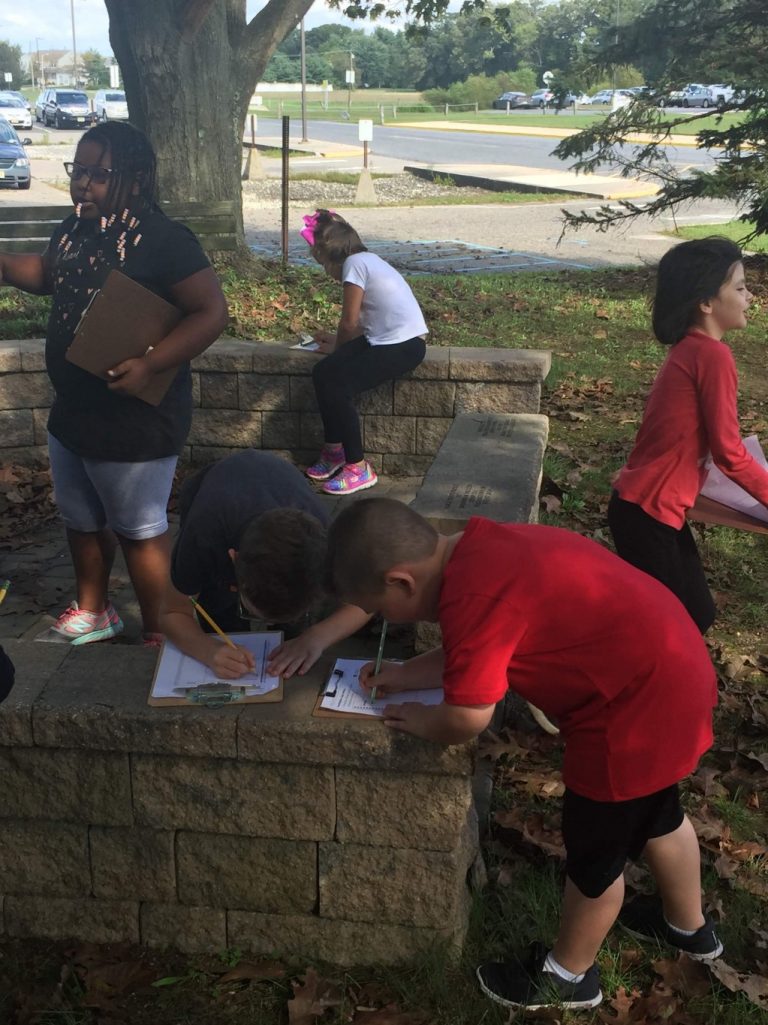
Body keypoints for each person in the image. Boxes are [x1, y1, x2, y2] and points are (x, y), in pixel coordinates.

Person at [326, 498, 722, 1012]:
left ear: (401, 582)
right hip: (674, 671)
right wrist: (403, 676)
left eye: (380, 610)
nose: (384, 620)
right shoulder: (479, 550)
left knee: (595, 856)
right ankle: (689, 930)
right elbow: (477, 649)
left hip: (628, 719)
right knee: (659, 815)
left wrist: (417, 718)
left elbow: (468, 718)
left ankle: (568, 977)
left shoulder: (470, 597)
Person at [0, 121, 228, 646]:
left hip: (135, 416)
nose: (84, 185)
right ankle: (95, 609)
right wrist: (8, 267)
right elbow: (50, 273)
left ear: (139, 179)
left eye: (99, 175)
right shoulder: (78, 227)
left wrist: (152, 362)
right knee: (79, 516)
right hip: (75, 408)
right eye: (78, 171)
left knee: (139, 529)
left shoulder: (165, 240)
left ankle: (161, 626)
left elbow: (210, 311)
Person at [608, 237, 768, 633]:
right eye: (740, 287)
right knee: (676, 624)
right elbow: (730, 453)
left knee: (691, 617)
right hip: (647, 513)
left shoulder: (692, 349)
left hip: (649, 509)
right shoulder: (711, 356)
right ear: (706, 302)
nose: (750, 296)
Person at [159, 450, 370, 680]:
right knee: (220, 615)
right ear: (233, 559)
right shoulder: (204, 536)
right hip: (214, 491)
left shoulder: (327, 544)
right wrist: (209, 650)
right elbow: (172, 612)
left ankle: (291, 630)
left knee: (293, 641)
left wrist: (315, 638)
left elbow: (368, 602)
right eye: (254, 612)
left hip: (278, 483)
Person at [300, 208, 428, 495]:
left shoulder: (354, 265)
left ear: (329, 256)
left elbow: (349, 322)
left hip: (403, 346)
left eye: (321, 264)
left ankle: (358, 467)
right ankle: (334, 451)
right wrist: (335, 346)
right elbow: (365, 323)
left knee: (339, 385)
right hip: (389, 339)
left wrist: (339, 348)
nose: (326, 272)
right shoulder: (368, 260)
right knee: (323, 372)